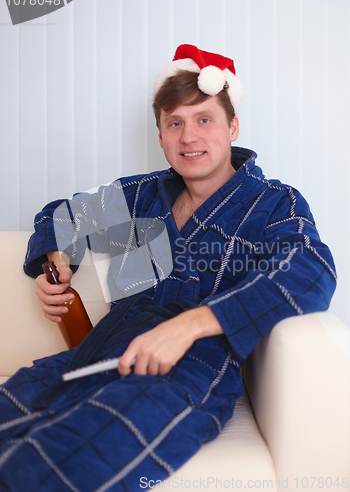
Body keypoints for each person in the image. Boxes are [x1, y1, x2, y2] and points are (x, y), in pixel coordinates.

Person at [0, 45, 337, 491]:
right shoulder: (141, 196)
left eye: (204, 120)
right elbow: (59, 216)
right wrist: (55, 260)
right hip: (96, 355)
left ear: (232, 127)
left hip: (189, 370)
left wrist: (192, 325)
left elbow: (310, 269)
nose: (188, 137)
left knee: (50, 463)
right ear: (160, 135)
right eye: (174, 123)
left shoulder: (274, 203)